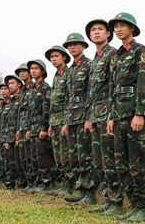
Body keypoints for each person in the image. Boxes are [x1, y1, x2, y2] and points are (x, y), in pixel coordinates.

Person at [105, 12, 145, 222]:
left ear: (132, 28)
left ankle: (143, 207)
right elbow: (113, 88)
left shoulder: (140, 51)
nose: (118, 29)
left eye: (122, 26)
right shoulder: (116, 55)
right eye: (115, 26)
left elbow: (144, 84)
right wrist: (111, 117)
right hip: (119, 116)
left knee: (138, 163)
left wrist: (140, 114)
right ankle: (134, 204)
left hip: (135, 115)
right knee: (121, 163)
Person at [84, 18, 119, 215]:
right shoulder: (95, 59)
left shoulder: (112, 53)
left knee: (109, 159)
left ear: (108, 34)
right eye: (93, 30)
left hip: (107, 113)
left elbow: (115, 85)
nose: (96, 32)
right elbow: (91, 92)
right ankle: (107, 197)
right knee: (98, 161)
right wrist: (89, 117)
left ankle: (116, 200)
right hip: (95, 115)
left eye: (100, 29)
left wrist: (112, 115)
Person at [61, 33, 95, 205]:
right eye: (69, 45)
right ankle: (81, 189)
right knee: (74, 156)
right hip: (72, 118)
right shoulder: (71, 69)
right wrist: (66, 121)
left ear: (83, 46)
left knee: (85, 155)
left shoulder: (89, 65)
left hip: (84, 116)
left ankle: (90, 192)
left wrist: (89, 117)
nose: (72, 47)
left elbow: (91, 93)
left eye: (75, 44)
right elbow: (67, 98)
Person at [45, 45, 72, 195]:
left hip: (64, 119)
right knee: (58, 155)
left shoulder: (68, 73)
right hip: (54, 120)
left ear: (64, 57)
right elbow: (52, 103)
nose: (54, 59)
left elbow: (69, 99)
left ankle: (69, 184)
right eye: (52, 57)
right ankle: (63, 183)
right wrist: (50, 123)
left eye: (56, 56)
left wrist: (66, 121)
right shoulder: (56, 76)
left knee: (65, 153)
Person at [25, 59, 54, 192]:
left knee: (43, 156)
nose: (33, 71)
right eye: (31, 69)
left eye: (36, 68)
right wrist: (29, 128)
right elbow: (29, 112)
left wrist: (44, 127)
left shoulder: (45, 88)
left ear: (42, 71)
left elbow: (47, 109)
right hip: (33, 127)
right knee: (34, 156)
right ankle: (37, 181)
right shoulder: (31, 91)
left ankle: (46, 181)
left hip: (41, 127)